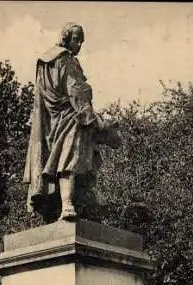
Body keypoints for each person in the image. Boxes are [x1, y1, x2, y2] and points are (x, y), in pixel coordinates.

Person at [23, 22, 120, 220]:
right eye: (76, 40)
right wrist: (96, 122)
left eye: (81, 42)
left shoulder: (44, 63)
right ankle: (67, 205)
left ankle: (81, 204)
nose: (79, 46)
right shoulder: (65, 60)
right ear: (66, 38)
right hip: (71, 119)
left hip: (52, 122)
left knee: (70, 161)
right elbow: (76, 92)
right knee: (70, 161)